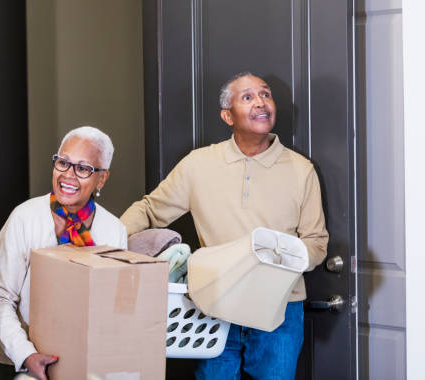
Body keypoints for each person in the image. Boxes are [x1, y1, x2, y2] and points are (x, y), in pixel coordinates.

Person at [120, 72, 329, 379]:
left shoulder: (301, 170)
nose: (261, 102)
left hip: (280, 311)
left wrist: (281, 258)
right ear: (227, 115)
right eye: (248, 97)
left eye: (266, 95)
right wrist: (107, 244)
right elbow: (150, 210)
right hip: (214, 306)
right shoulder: (198, 164)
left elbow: (316, 242)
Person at [0, 126, 127, 380]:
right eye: (63, 163)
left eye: (84, 168)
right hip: (21, 361)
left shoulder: (113, 231)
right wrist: (26, 355)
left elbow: (113, 309)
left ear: (101, 179)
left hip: (86, 362)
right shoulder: (25, 218)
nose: (69, 175)